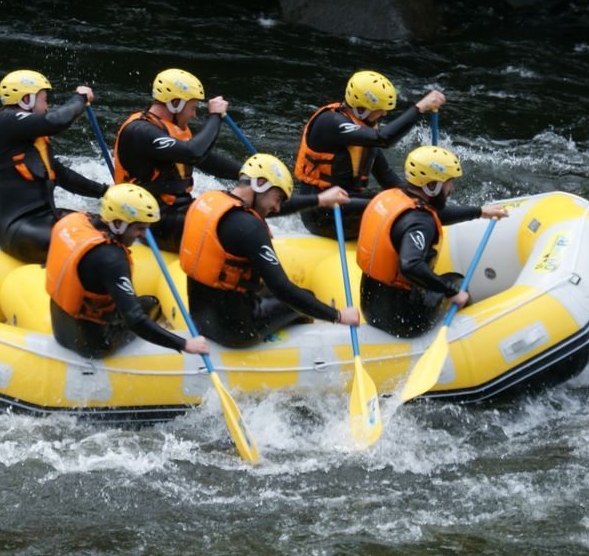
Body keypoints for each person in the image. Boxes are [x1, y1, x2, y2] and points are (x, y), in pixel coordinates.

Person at [179, 153, 360, 348]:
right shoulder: (249, 226)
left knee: (272, 293)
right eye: (278, 197)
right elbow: (282, 289)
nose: (276, 207)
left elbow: (266, 207)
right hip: (237, 331)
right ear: (260, 183)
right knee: (306, 296)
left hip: (200, 321)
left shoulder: (210, 202)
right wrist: (338, 316)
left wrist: (319, 199)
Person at [357, 146, 508, 338]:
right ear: (432, 186)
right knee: (457, 281)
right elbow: (410, 265)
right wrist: (451, 291)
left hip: (371, 311)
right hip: (405, 320)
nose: (451, 188)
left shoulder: (397, 196)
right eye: (448, 182)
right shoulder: (421, 222)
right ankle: (467, 337)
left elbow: (434, 213)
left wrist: (479, 211)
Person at [46, 184, 210, 359]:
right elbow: (136, 320)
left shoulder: (76, 222)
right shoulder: (111, 258)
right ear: (117, 223)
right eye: (139, 228)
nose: (144, 235)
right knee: (150, 303)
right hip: (94, 344)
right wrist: (184, 344)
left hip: (61, 330)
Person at [0, 70, 109, 263]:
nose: (47, 107)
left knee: (108, 226)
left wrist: (106, 191)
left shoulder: (29, 140)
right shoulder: (2, 123)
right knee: (91, 241)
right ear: (26, 99)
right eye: (44, 100)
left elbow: (63, 176)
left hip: (43, 219)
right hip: (16, 229)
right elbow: (56, 121)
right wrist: (79, 98)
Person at [293, 70, 447, 239]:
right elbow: (384, 138)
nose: (384, 113)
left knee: (410, 204)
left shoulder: (363, 128)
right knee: (401, 210)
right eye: (380, 109)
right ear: (361, 109)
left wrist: (419, 199)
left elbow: (387, 178)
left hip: (346, 206)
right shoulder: (330, 123)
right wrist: (421, 107)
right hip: (322, 216)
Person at [112, 68, 241, 251]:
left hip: (175, 211)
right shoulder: (140, 131)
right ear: (175, 103)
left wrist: (245, 172)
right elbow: (193, 152)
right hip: (150, 223)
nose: (194, 115)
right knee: (230, 221)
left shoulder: (172, 130)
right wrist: (215, 117)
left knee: (240, 204)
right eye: (193, 108)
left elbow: (204, 159)